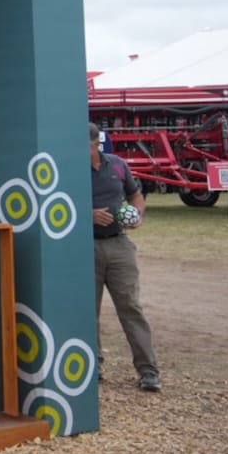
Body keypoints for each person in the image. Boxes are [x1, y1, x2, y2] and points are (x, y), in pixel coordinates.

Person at [90, 122, 161, 392]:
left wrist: (137, 214)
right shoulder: (69, 169)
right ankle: (93, 366)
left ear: (96, 143)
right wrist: (88, 214)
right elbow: (59, 204)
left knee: (130, 307)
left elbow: (135, 194)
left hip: (119, 243)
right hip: (85, 245)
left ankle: (148, 370)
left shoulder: (117, 165)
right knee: (88, 311)